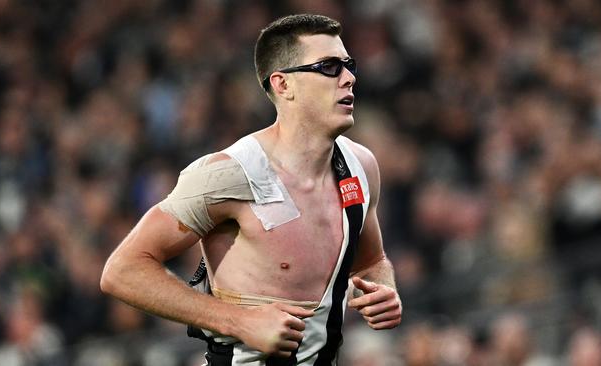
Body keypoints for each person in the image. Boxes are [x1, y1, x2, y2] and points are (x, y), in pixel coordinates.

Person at [100, 13, 402, 365]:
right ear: (283, 85)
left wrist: (384, 288)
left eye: (348, 65)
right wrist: (238, 321)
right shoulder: (230, 174)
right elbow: (122, 270)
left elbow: (372, 263)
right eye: (329, 66)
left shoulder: (361, 167)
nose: (349, 78)